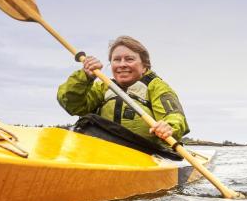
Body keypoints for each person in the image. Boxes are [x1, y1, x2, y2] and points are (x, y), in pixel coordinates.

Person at [57, 36, 189, 146]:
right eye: (117, 60)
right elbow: (72, 105)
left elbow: (175, 117)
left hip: (147, 153)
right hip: (105, 151)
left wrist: (168, 127)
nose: (122, 64)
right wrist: (85, 76)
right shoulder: (102, 87)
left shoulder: (156, 87)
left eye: (129, 59)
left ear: (144, 66)